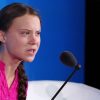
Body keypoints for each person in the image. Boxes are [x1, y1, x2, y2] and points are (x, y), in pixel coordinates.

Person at [0, 2, 41, 100]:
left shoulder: (21, 81)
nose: (34, 40)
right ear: (2, 36)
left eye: (37, 33)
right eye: (25, 33)